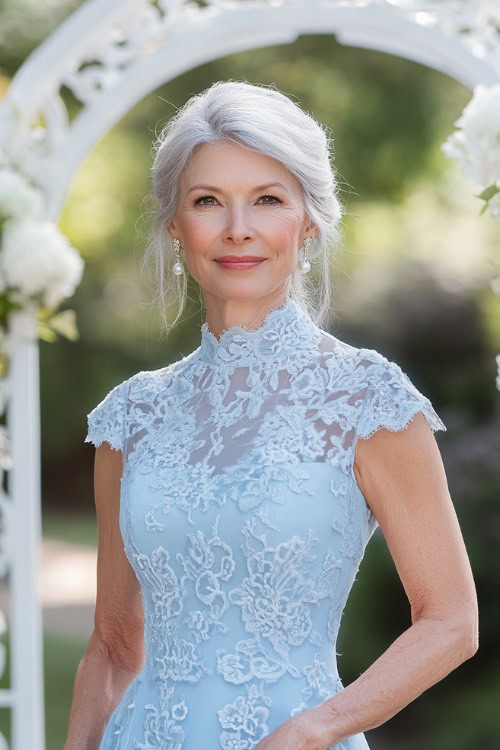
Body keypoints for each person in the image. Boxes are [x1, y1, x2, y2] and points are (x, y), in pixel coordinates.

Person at [64, 80, 478, 750]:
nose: (238, 230)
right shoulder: (132, 415)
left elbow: (452, 621)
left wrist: (319, 729)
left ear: (308, 219)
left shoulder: (367, 399)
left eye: (267, 199)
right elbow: (113, 645)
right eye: (208, 201)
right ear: (175, 223)